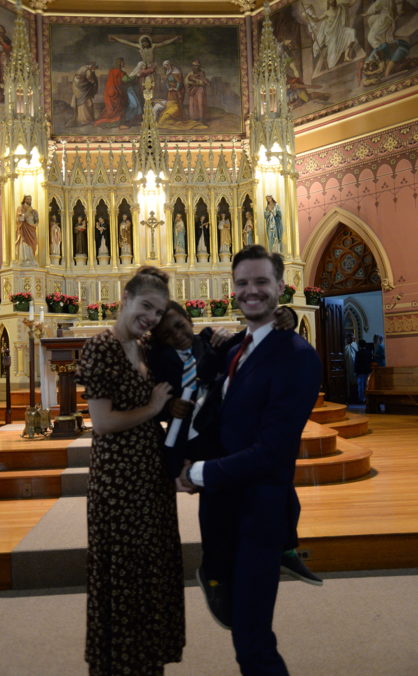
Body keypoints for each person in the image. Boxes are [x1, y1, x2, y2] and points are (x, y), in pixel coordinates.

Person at [180, 245, 322, 675]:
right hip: (223, 511)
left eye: (261, 281)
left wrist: (198, 472)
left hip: (260, 513)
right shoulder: (237, 348)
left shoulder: (297, 356)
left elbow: (272, 452)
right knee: (241, 626)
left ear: (280, 285)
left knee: (253, 641)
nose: (251, 291)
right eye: (242, 283)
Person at [76, 267, 185, 676]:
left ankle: (148, 662)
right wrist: (154, 409)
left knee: (153, 569)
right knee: (124, 572)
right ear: (125, 298)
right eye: (146, 306)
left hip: (151, 476)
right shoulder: (100, 347)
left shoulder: (145, 347)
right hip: (118, 481)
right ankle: (120, 664)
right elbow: (103, 423)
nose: (151, 317)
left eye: (158, 311)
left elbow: (189, 346)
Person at [185, 59, 210, 123]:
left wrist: (196, 81)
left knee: (200, 103)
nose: (195, 67)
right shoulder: (190, 73)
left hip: (200, 89)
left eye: (196, 65)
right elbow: (186, 81)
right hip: (193, 89)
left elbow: (204, 82)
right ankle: (194, 118)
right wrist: (192, 82)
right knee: (192, 104)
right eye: (194, 65)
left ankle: (201, 118)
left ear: (199, 66)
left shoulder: (202, 73)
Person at [16, 195, 38, 264]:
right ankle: (25, 258)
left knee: (33, 243)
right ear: (24, 200)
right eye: (28, 199)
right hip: (24, 228)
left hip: (32, 229)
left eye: (30, 199)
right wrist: (27, 213)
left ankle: (31, 258)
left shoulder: (33, 210)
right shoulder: (20, 208)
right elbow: (20, 219)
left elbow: (36, 221)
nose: (29, 200)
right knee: (25, 243)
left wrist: (35, 218)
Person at [354, 338, 373, 404]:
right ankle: (368, 398)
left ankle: (362, 399)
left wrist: (355, 371)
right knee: (367, 385)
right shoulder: (369, 352)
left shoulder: (358, 353)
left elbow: (356, 363)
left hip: (360, 372)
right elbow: (371, 361)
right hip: (368, 371)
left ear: (359, 345)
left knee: (361, 387)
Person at [344, 332, 358, 402]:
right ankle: (349, 397)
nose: (352, 339)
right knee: (349, 381)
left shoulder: (355, 345)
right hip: (348, 365)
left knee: (355, 382)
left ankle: (355, 397)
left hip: (354, 365)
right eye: (351, 338)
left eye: (353, 338)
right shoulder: (346, 346)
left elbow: (357, 353)